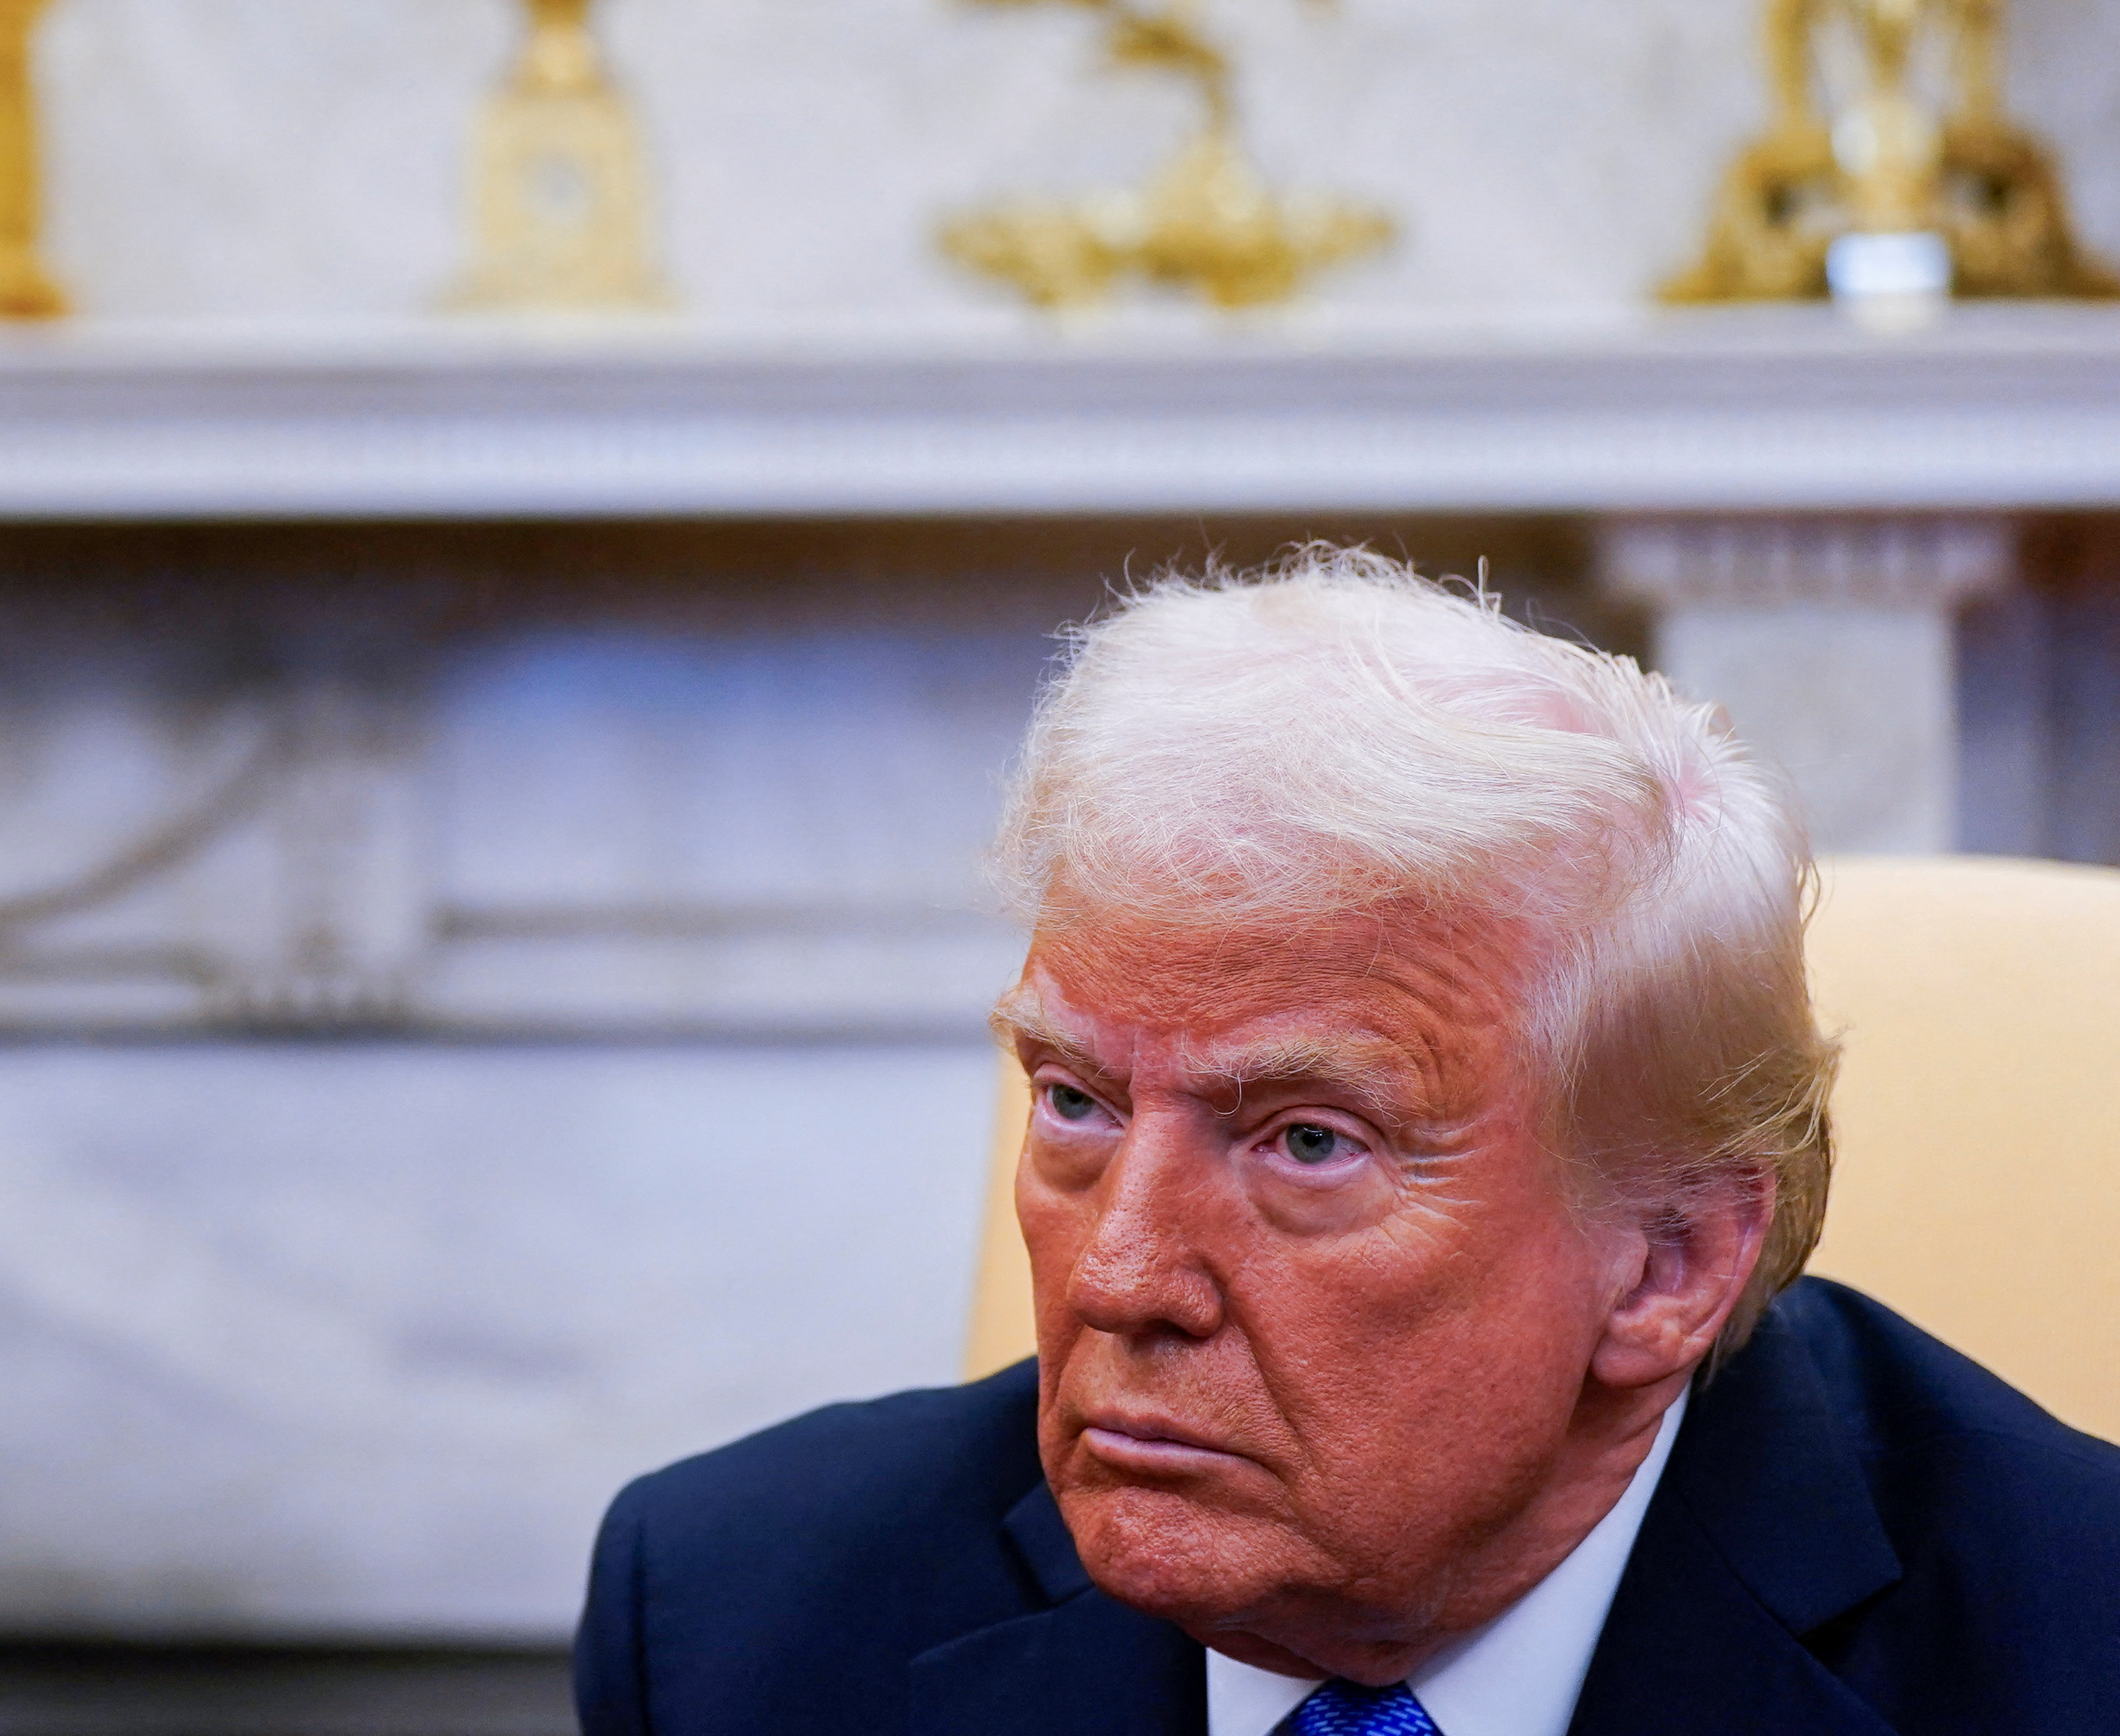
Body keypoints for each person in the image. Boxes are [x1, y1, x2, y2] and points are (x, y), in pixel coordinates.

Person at [576, 550, 2120, 1735]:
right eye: (1076, 1101)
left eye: (1306, 1140)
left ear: (1668, 1260)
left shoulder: (2069, 1650)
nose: (1119, 1275)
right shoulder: (735, 1623)